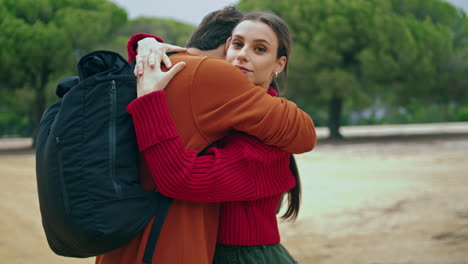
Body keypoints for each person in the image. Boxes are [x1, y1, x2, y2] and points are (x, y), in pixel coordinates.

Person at [96, 6, 315, 264]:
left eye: (259, 49)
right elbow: (190, 77)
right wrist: (148, 47)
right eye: (237, 44)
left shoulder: (266, 145)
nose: (243, 55)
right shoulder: (222, 108)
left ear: (279, 64)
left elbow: (182, 178)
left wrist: (149, 100)